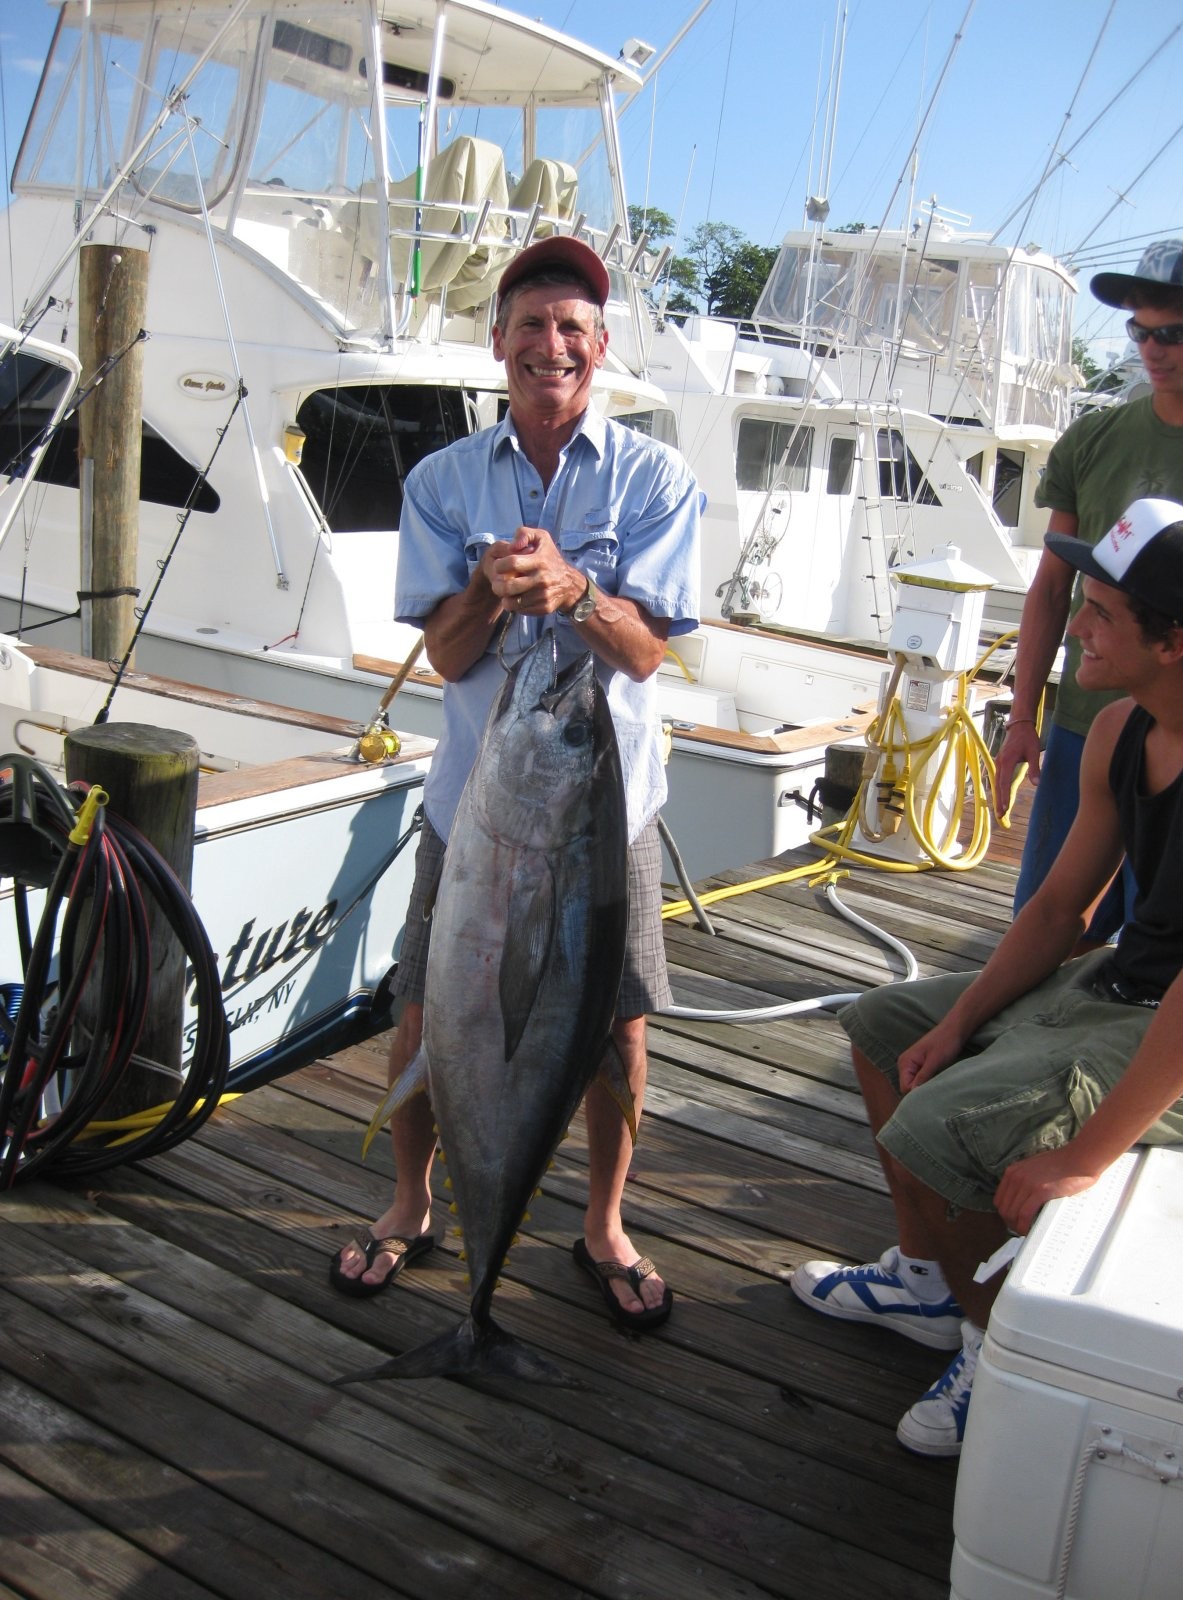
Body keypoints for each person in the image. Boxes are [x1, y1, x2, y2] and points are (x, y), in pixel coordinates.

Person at [330, 236, 701, 1329]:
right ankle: (412, 1202)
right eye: (532, 324)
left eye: (574, 329)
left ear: (602, 349)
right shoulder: (442, 481)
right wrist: (491, 590)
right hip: (476, 806)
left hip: (605, 801)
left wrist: (578, 587)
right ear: (498, 341)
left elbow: (643, 654)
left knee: (617, 1019)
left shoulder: (656, 479)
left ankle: (602, 1224)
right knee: (423, 1006)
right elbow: (447, 658)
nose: (553, 346)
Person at [791, 498, 1183, 1456]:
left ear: (1179, 641)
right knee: (884, 1028)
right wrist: (960, 1017)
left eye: (1100, 613)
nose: (1073, 628)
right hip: (1121, 982)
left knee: (937, 1124)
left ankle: (992, 1345)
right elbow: (1059, 911)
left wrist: (1084, 1155)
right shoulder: (1118, 733)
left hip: (1180, 1029)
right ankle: (930, 1283)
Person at [994, 238, 1183, 937]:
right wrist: (1023, 720)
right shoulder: (1093, 438)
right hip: (1085, 726)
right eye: (1140, 330)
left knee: (1157, 943)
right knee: (1047, 919)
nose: (1153, 347)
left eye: (1173, 330)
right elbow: (1054, 588)